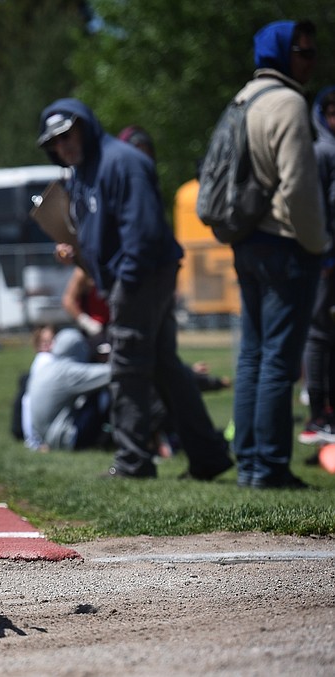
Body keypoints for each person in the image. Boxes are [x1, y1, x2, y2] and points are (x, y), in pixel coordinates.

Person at [38, 99, 233, 481]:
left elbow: (141, 233)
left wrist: (125, 283)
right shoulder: (83, 171)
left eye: (68, 135)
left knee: (127, 368)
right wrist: (77, 251)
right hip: (132, 277)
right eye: (55, 142)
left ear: (85, 126)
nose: (63, 146)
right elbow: (98, 233)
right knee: (166, 369)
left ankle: (132, 462)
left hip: (140, 277)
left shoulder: (122, 162)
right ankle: (208, 455)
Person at [228, 20, 326, 489]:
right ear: (282, 55)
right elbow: (300, 187)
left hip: (247, 240)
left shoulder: (244, 98)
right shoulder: (288, 102)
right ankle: (268, 467)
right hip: (285, 243)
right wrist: (318, 244)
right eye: (303, 53)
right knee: (279, 362)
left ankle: (248, 460)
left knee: (252, 356)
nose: (311, 60)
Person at [300, 86, 335, 456]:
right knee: (320, 334)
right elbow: (315, 207)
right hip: (327, 262)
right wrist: (323, 255)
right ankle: (317, 414)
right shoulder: (321, 151)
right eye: (331, 112)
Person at [26, 328, 112, 452]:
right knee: (99, 391)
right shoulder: (67, 371)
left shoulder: (47, 368)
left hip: (45, 438)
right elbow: (111, 374)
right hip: (64, 438)